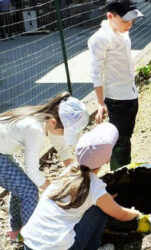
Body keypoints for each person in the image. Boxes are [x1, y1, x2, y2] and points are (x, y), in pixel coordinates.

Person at [21, 123, 141, 250]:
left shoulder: (69, 171)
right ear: (107, 160)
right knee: (99, 210)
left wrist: (103, 198)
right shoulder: (94, 187)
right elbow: (121, 214)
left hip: (29, 244)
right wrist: (138, 212)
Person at [0, 92, 89, 241]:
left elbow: (62, 149)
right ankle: (32, 240)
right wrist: (56, 193)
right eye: (65, 132)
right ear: (54, 123)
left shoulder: (47, 118)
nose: (63, 135)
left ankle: (17, 231)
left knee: (20, 187)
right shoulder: (35, 129)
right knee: (29, 191)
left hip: (3, 151)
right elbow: (32, 170)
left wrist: (78, 176)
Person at [88, 0, 143, 170]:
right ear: (110, 16)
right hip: (117, 98)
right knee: (119, 142)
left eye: (132, 21)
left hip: (131, 93)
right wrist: (100, 102)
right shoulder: (99, 39)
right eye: (125, 21)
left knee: (126, 138)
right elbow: (95, 72)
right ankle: (118, 179)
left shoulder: (122, 30)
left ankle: (124, 172)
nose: (129, 26)